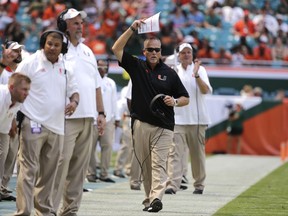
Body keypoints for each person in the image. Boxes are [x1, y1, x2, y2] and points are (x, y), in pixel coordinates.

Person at [112, 20, 189, 212]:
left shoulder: (170, 73)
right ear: (144, 52)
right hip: (140, 124)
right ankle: (149, 199)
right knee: (145, 166)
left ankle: (156, 198)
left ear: (161, 52)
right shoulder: (136, 66)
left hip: (164, 126)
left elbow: (185, 97)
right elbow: (116, 48)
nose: (154, 53)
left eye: (157, 50)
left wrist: (176, 101)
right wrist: (131, 28)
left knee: (159, 163)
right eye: (150, 50)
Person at [14, 29, 79, 215]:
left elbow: (74, 91)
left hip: (57, 127)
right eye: (49, 43)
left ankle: (44, 211)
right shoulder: (29, 63)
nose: (52, 47)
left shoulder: (66, 67)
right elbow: (14, 86)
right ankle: (24, 211)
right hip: (32, 123)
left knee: (50, 174)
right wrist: (13, 116)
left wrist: (74, 102)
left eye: (56, 45)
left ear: (62, 48)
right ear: (43, 44)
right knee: (28, 170)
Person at [53, 8, 106, 216]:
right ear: (63, 25)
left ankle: (70, 211)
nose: (80, 26)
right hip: (65, 117)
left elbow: (96, 85)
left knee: (78, 172)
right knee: (59, 167)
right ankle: (50, 209)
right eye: (75, 23)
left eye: (80, 23)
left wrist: (101, 113)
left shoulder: (88, 51)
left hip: (88, 118)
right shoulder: (57, 48)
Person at [165, 43, 213, 195]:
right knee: (174, 153)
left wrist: (197, 74)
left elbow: (206, 91)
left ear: (192, 55)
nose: (186, 55)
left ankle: (199, 185)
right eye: (183, 52)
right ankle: (173, 185)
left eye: (189, 52)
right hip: (178, 119)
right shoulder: (173, 71)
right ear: (178, 56)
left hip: (198, 120)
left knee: (197, 154)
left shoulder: (201, 70)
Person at [87, 58, 120, 183]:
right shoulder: (91, 81)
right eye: (100, 66)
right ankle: (91, 173)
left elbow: (114, 102)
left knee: (108, 146)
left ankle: (104, 173)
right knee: (90, 148)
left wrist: (116, 118)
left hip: (108, 119)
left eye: (105, 66)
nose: (102, 69)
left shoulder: (110, 82)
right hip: (93, 120)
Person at [0, 40, 25, 201]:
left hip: (14, 118)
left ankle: (3, 187)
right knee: (3, 153)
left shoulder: (20, 71)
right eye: (14, 51)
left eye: (19, 51)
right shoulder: (3, 71)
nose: (17, 54)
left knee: (11, 155)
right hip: (3, 117)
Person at [0, 72, 31, 202]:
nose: (27, 93)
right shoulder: (1, 96)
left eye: (28, 90)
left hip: (3, 129)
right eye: (24, 89)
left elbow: (11, 113)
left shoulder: (18, 100)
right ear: (12, 88)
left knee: (3, 157)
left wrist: (12, 125)